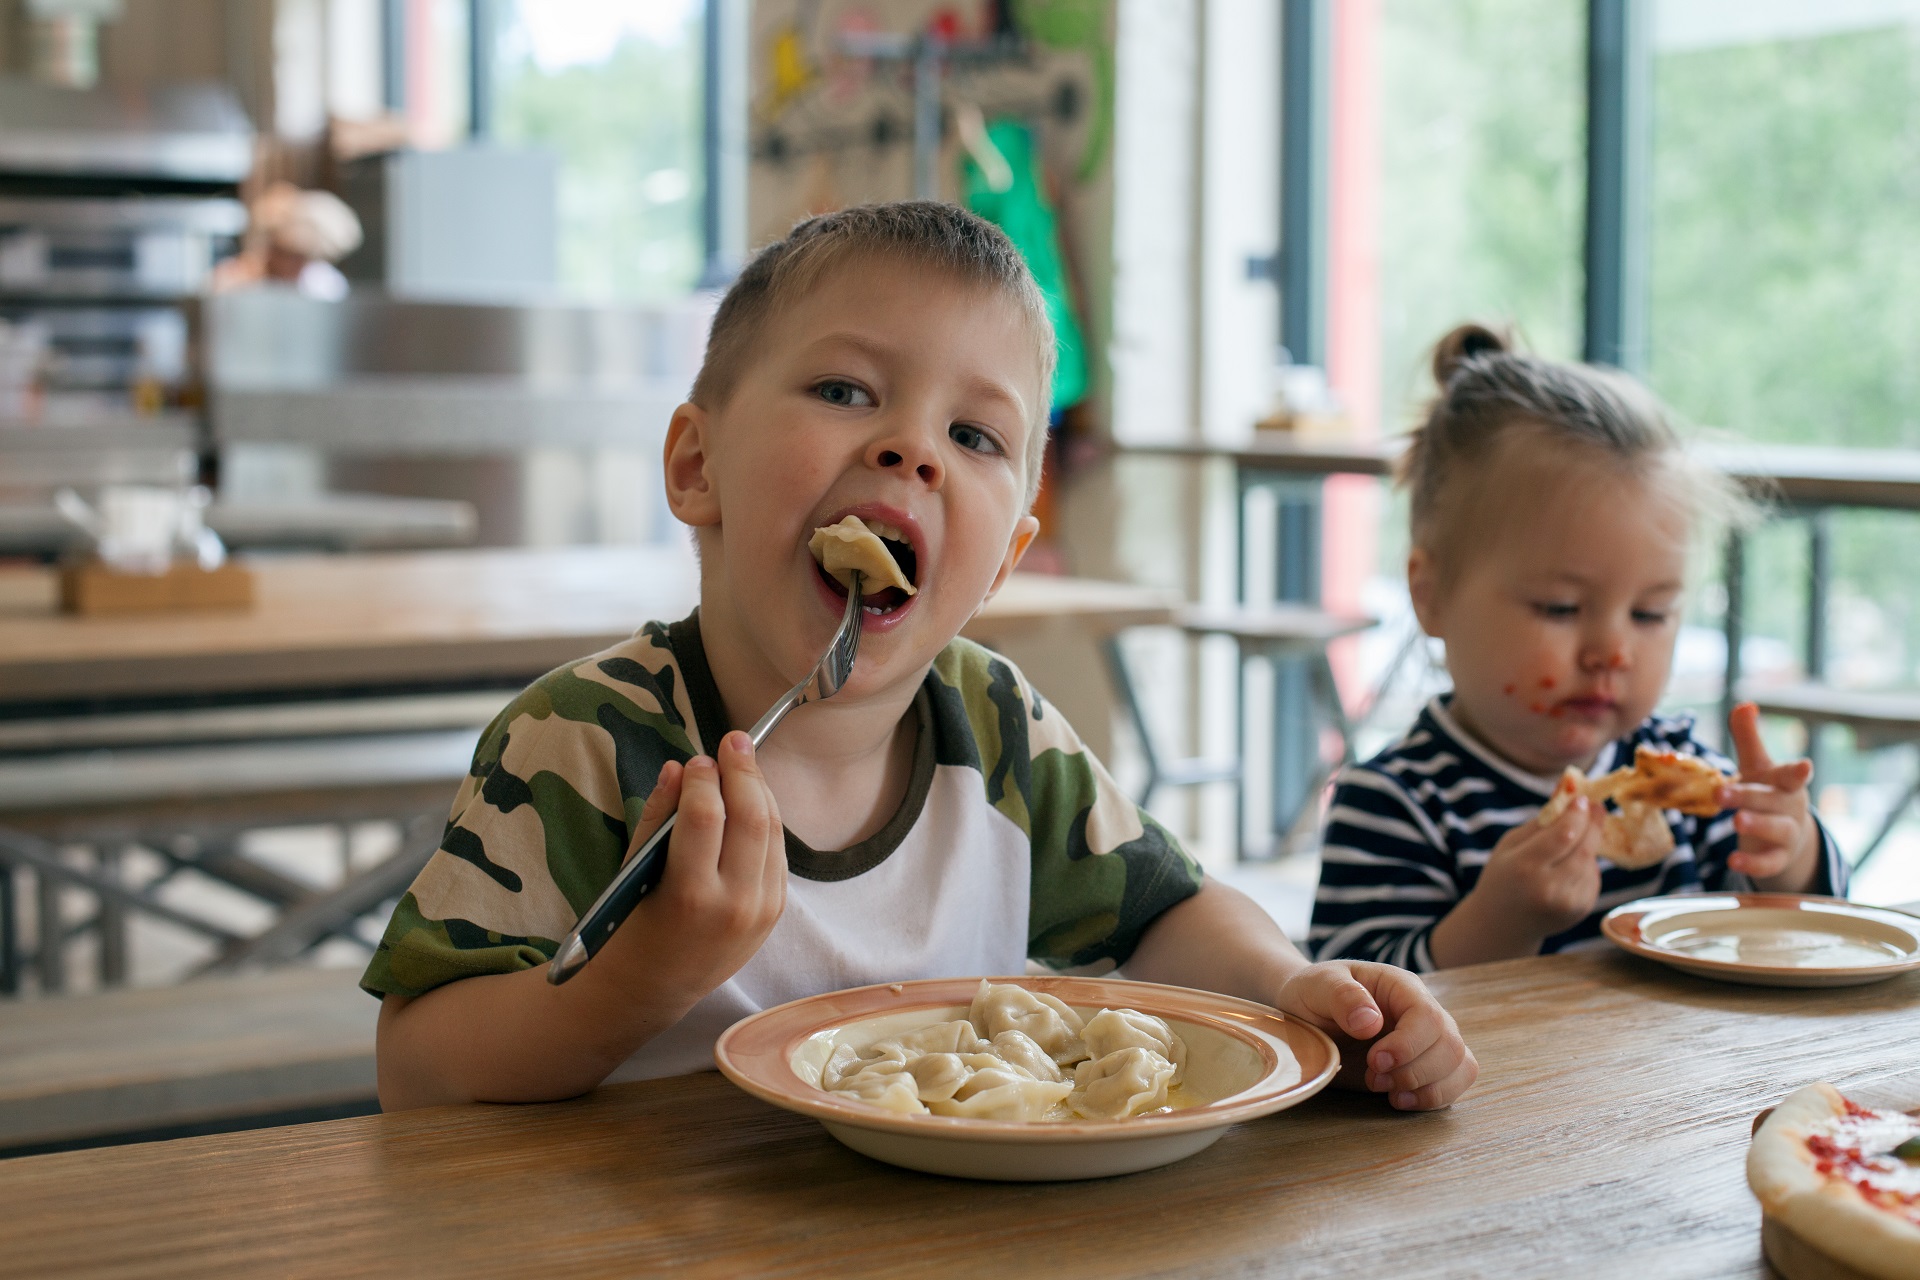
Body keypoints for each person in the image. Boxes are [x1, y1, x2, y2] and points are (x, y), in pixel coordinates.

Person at [367, 202, 1476, 1112]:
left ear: (1001, 564)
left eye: (977, 435)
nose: (912, 449)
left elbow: (1169, 912)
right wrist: (638, 977)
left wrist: (1292, 981)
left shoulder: (994, 729)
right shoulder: (585, 741)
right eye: (846, 391)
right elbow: (418, 1068)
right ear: (698, 466)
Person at [1310, 324, 1848, 971]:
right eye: (1560, 608)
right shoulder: (1395, 806)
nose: (1611, 652)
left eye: (1650, 613)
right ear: (1431, 596)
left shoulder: (1682, 780)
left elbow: (1800, 938)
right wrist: (1496, 923)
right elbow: (1355, 1018)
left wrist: (1790, 856)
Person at [209, 181, 362, 301]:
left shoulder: (323, 285)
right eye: (286, 254)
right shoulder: (237, 279)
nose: (295, 264)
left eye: (302, 257)